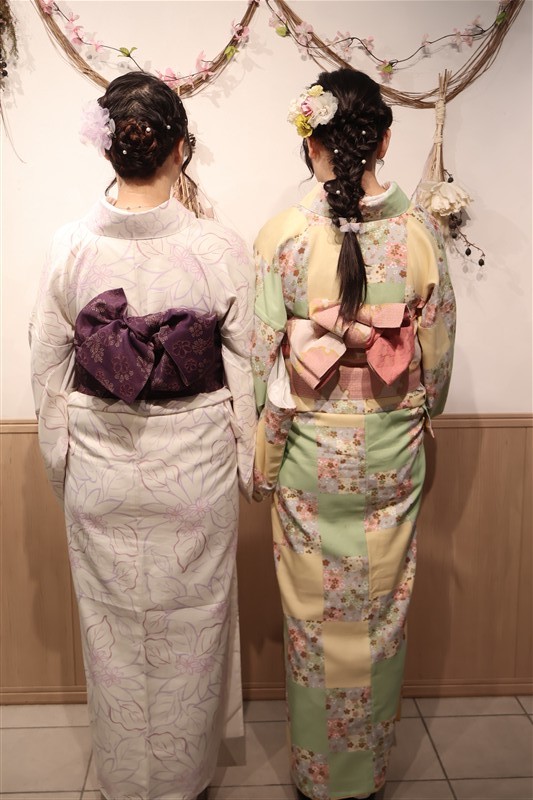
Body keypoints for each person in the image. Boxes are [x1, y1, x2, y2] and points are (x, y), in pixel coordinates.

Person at [29, 71, 256, 800]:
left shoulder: (69, 246)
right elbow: (249, 365)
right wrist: (248, 461)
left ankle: (128, 781)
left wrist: (61, 461)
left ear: (107, 148)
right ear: (180, 147)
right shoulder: (219, 246)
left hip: (101, 464)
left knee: (113, 628)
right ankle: (185, 780)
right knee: (194, 621)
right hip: (196, 466)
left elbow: (46, 365)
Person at [252, 68, 456, 800]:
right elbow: (437, 361)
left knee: (312, 616)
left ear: (312, 144)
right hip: (391, 450)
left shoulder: (283, 236)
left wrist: (269, 441)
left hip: (310, 454)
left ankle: (317, 776)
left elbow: (263, 359)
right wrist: (414, 408)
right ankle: (364, 775)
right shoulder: (419, 234)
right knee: (379, 612)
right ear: (384, 141)